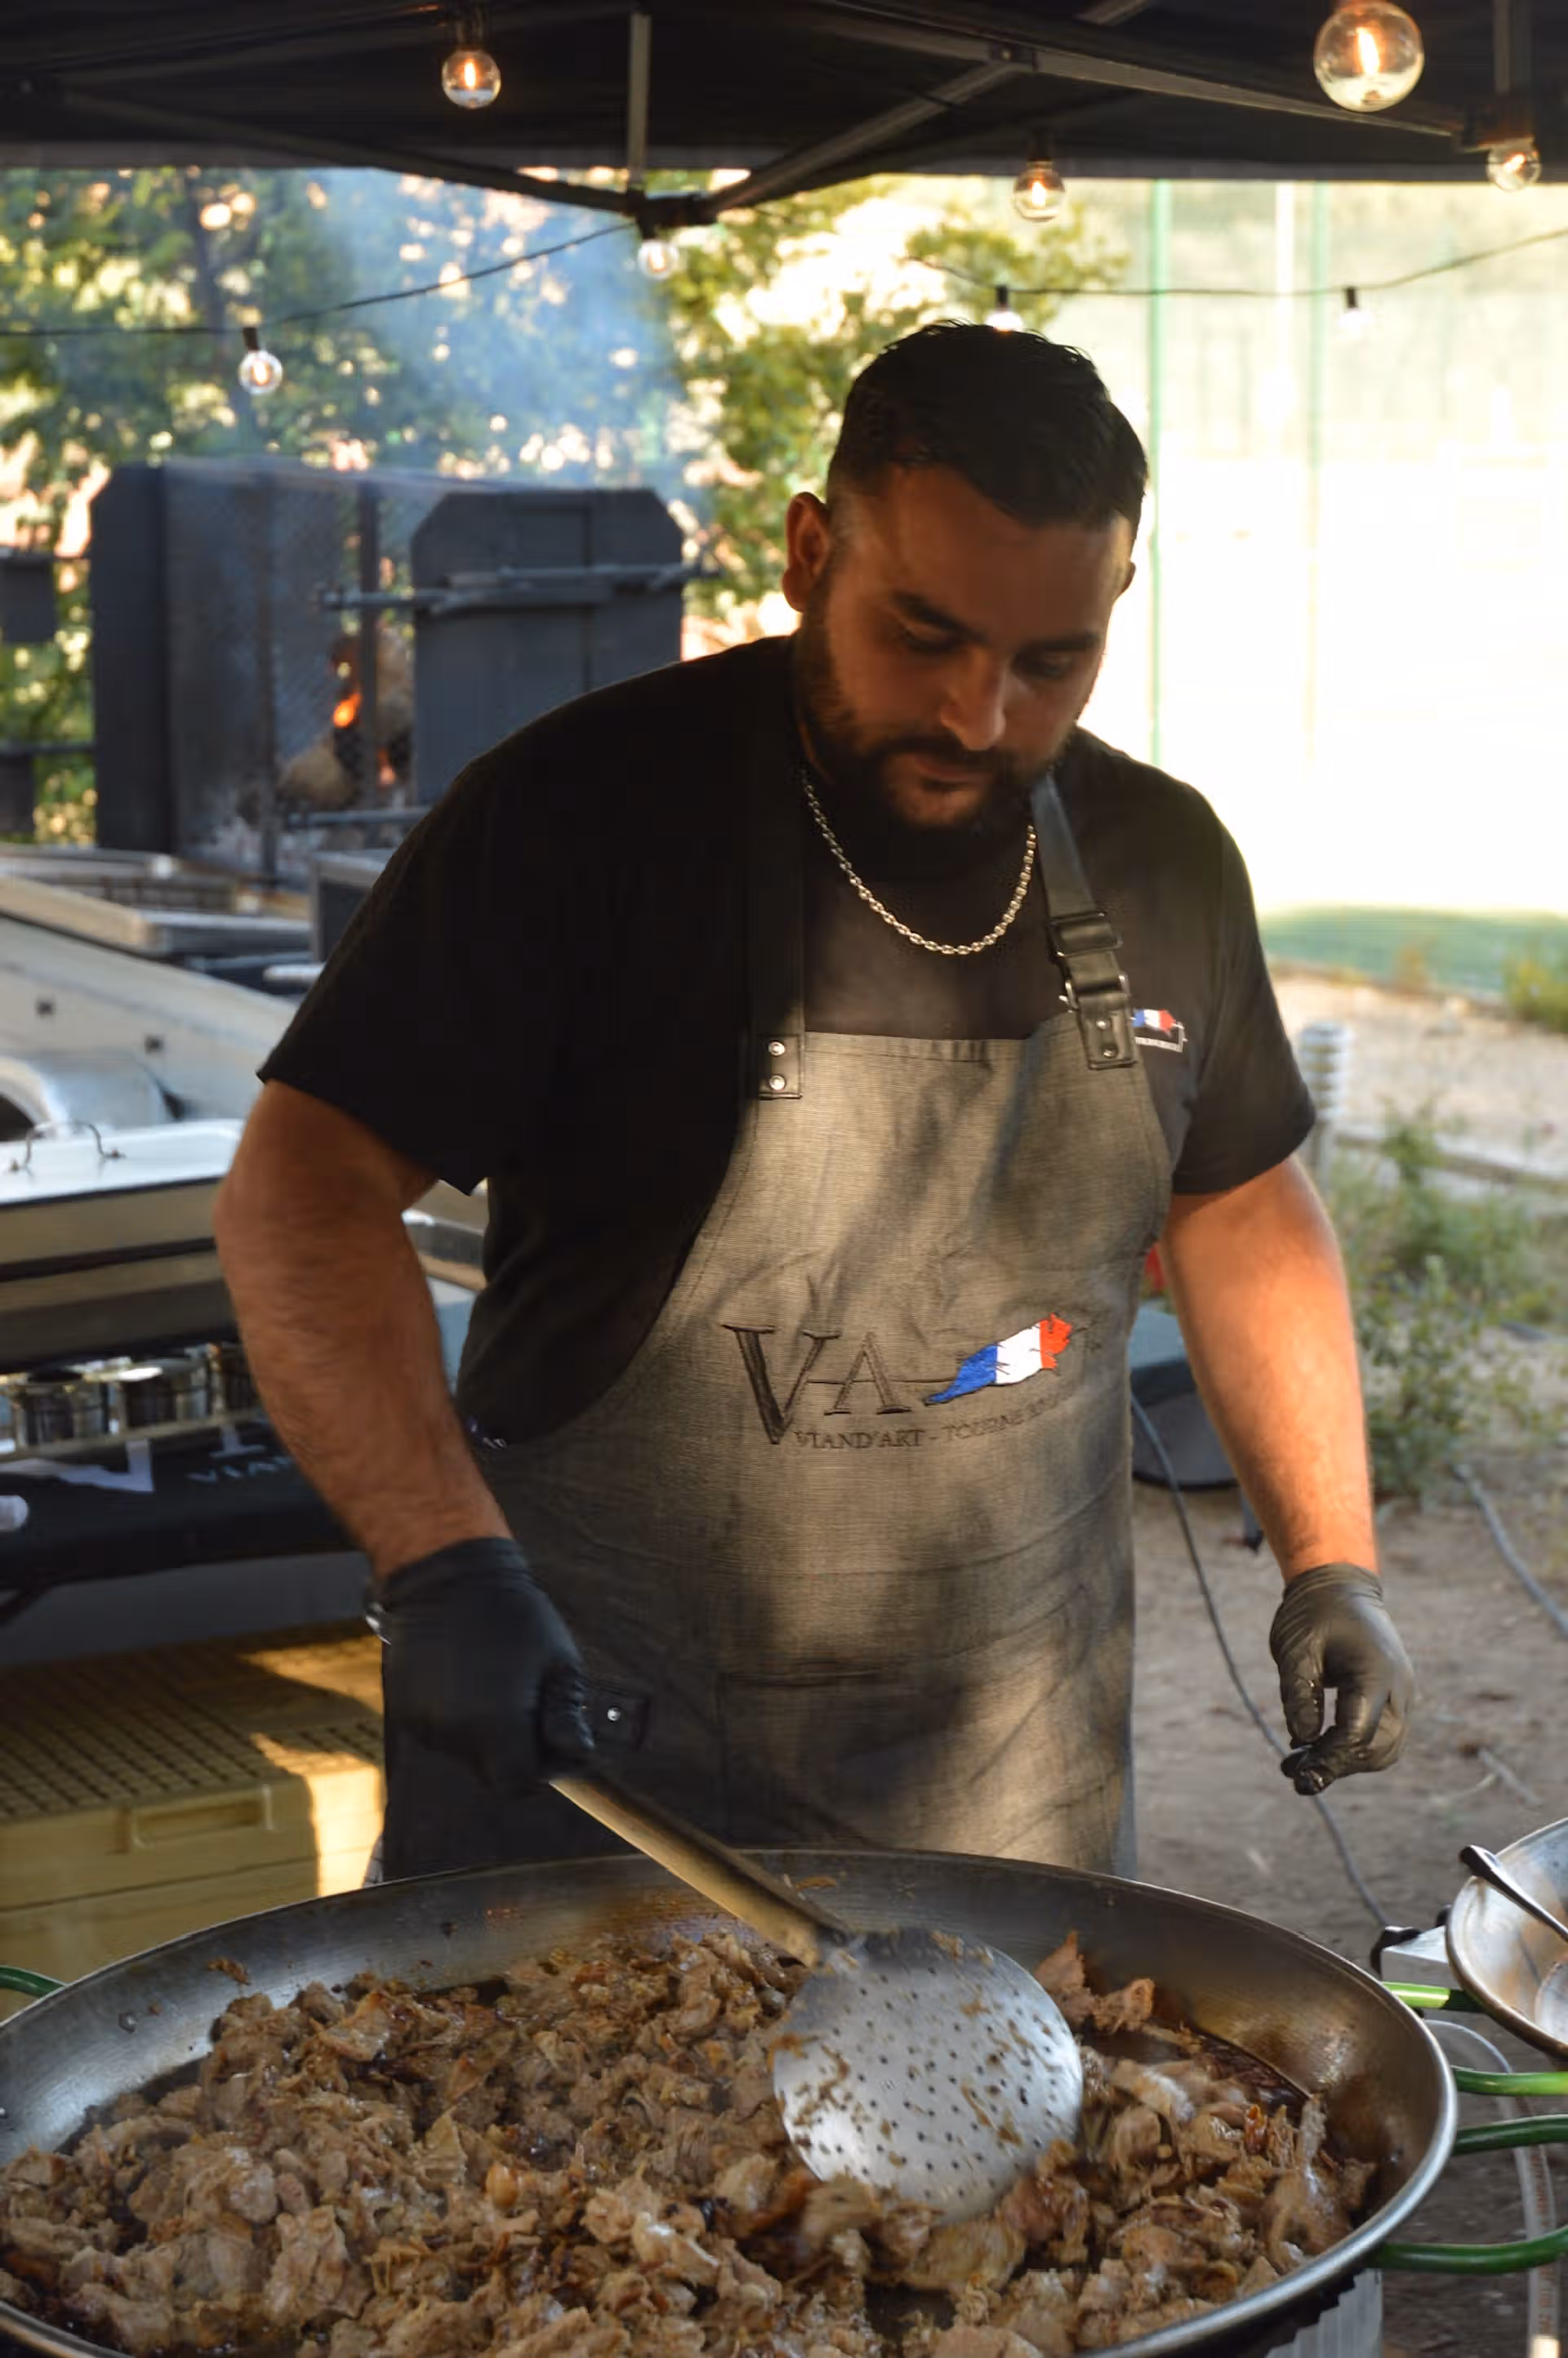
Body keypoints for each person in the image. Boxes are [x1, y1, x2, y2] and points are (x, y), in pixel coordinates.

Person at [215, 324, 1414, 1883]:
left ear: (1118, 599)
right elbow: (302, 1189)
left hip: (1017, 1820)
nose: (979, 714)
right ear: (807, 553)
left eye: (1050, 662)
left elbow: (1239, 1206)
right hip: (603, 1813)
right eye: (925, 634)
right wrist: (440, 1560)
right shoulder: (580, 822)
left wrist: (1333, 1562)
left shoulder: (1164, 862)